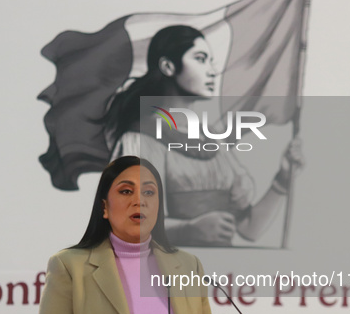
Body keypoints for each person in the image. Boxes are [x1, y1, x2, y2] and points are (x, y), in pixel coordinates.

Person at [106, 25, 304, 247]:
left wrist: (282, 179)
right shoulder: (141, 140)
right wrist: (186, 230)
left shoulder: (213, 143)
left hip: (221, 276)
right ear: (168, 66)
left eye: (211, 61)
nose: (212, 71)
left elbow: (249, 229)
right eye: (200, 59)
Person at [35, 156, 214, 314]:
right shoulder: (70, 267)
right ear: (104, 207)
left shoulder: (188, 265)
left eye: (149, 193)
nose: (139, 200)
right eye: (127, 191)